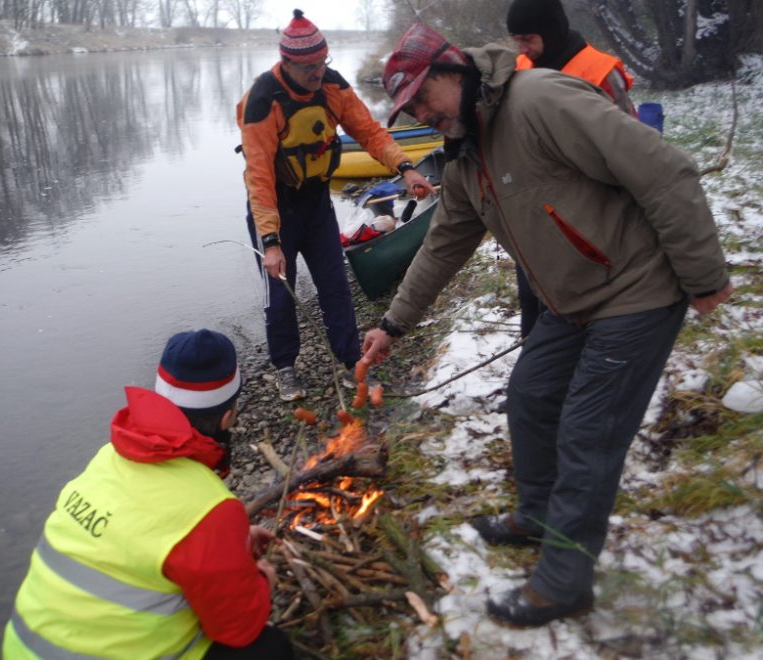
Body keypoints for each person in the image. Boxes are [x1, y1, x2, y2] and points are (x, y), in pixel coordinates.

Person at [362, 23, 732, 627]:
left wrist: (705, 276)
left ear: (452, 73)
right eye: (409, 110)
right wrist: (394, 326)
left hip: (637, 288)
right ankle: (536, 515)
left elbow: (663, 171)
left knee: (588, 435)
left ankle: (564, 583)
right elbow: (443, 244)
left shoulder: (542, 101)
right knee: (530, 395)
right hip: (570, 299)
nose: (422, 116)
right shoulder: (465, 152)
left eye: (423, 100)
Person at [3, 330, 294, 659]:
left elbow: (143, 543)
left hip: (20, 648)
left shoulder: (107, 458)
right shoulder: (209, 508)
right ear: (228, 417)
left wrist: (228, 546)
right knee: (269, 649)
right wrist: (260, 583)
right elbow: (238, 628)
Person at [237, 9, 436, 402]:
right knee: (280, 291)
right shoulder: (263, 100)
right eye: (309, 66)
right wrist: (270, 240)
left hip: (314, 202)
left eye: (322, 63)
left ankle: (350, 363)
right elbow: (257, 175)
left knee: (334, 285)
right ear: (287, 63)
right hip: (275, 204)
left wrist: (406, 168)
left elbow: (370, 132)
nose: (317, 72)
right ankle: (286, 368)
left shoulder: (332, 87)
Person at [507, 0, 636, 337]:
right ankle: (535, 371)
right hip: (533, 209)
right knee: (530, 297)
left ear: (551, 31)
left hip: (587, 211)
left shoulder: (600, 71)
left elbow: (632, 147)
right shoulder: (521, 66)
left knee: (580, 301)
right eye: (517, 40)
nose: (522, 48)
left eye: (528, 39)